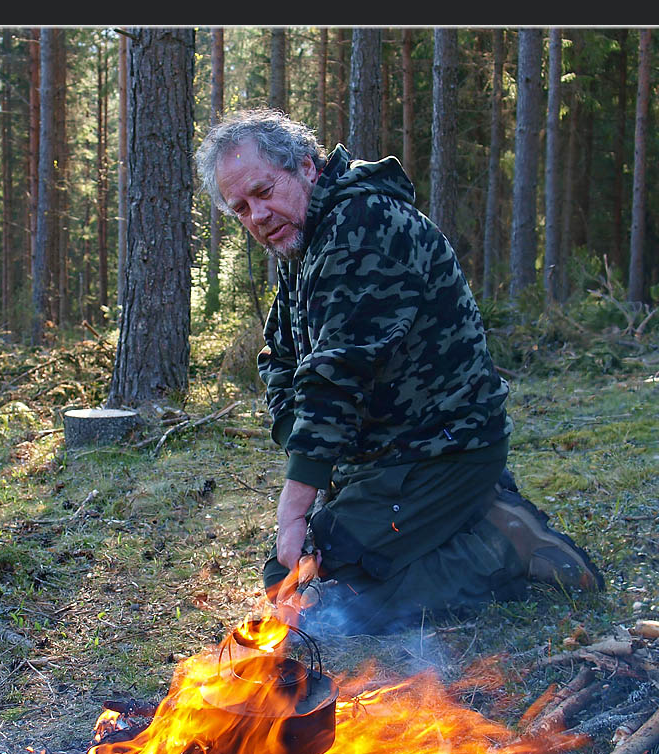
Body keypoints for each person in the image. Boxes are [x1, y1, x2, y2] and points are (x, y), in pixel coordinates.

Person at [196, 109, 604, 634]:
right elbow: (280, 357)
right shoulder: (306, 239)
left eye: (264, 191)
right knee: (289, 578)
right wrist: (314, 460)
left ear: (306, 167)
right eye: (241, 208)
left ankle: (504, 545)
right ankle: (472, 513)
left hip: (445, 449)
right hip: (381, 458)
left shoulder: (363, 226)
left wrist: (295, 508)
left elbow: (335, 375)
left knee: (338, 602)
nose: (257, 214)